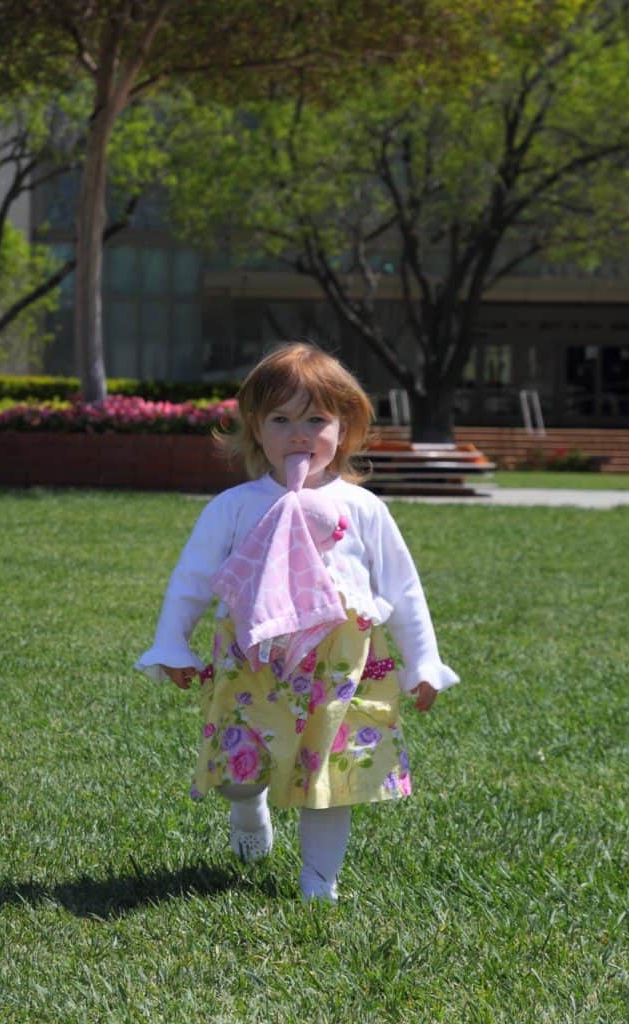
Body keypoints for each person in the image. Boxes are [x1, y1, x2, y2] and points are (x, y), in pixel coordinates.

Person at [136, 341, 459, 903]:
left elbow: (402, 588)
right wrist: (172, 644)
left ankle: (319, 884)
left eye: (316, 419)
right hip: (254, 661)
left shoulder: (363, 509)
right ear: (255, 430)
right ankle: (247, 807)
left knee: (327, 781)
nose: (299, 434)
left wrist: (424, 661)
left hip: (340, 664)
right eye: (280, 419)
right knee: (241, 770)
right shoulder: (235, 506)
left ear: (346, 428)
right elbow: (192, 578)